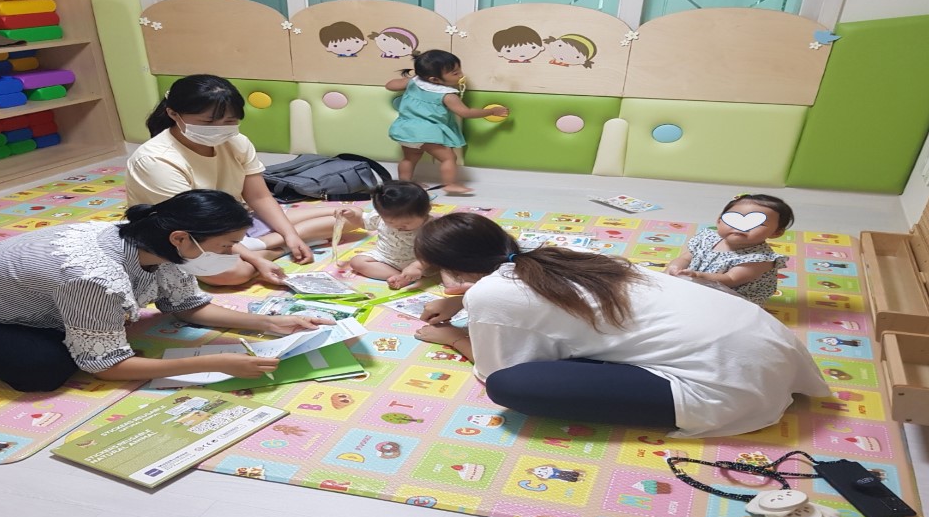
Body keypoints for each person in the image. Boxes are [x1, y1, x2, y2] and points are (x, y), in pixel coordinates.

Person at [410, 213, 829, 438]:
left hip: (728, 383)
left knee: (510, 386)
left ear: (452, 270)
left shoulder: (491, 293)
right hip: (766, 340)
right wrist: (461, 299)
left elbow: (496, 367)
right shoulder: (559, 257)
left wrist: (455, 336)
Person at [0, 190, 332, 393]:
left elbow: (187, 306)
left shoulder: (155, 242)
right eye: (226, 246)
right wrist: (218, 362)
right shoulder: (95, 277)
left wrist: (269, 323)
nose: (233, 254)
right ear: (182, 237)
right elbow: (104, 366)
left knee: (108, 331)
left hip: (17, 298)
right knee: (45, 371)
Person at [126, 74, 344, 286]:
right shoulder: (156, 160)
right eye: (207, 122)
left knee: (346, 219)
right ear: (173, 114)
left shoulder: (237, 142)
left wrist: (290, 235)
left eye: (229, 121)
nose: (219, 129)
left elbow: (259, 197)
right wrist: (256, 259)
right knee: (234, 274)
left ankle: (265, 243)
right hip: (188, 236)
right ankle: (272, 249)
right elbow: (194, 225)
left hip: (236, 224)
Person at [385, 50, 508, 195]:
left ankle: (405, 183)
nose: (461, 75)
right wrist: (491, 111)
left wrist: (412, 79)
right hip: (426, 132)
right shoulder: (447, 95)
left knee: (409, 158)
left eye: (460, 70)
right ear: (434, 79)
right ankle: (450, 184)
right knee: (449, 158)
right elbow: (466, 113)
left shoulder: (413, 82)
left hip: (405, 130)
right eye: (455, 73)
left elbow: (390, 85)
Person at [665, 193, 793, 305]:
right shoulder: (708, 238)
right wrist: (675, 268)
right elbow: (686, 258)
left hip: (731, 297)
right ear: (719, 221)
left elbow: (730, 280)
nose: (741, 226)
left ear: (776, 233)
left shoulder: (760, 259)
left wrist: (698, 275)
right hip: (697, 283)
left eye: (756, 223)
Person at [335, 180, 434, 289]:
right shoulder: (379, 217)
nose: (398, 227)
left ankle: (409, 275)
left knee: (443, 263)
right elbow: (363, 222)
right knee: (357, 262)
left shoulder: (431, 227)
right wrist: (352, 216)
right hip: (385, 257)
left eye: (406, 224)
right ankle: (401, 277)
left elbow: (434, 252)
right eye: (390, 222)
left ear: (426, 211)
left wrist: (418, 266)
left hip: (418, 261)